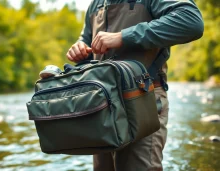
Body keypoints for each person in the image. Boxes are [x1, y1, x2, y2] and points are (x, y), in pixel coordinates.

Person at [66, 0, 204, 170]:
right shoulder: (95, 4)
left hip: (142, 98)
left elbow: (191, 20)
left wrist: (124, 36)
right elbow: (86, 40)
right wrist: (80, 48)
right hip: (101, 107)